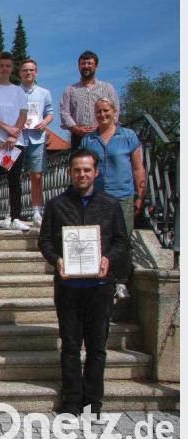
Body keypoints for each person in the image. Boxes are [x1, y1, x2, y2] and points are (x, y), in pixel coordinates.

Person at [37, 149, 129, 417]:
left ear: (95, 172)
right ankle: (72, 401)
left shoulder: (110, 205)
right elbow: (44, 242)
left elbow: (122, 242)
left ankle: (92, 402)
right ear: (70, 172)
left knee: (97, 348)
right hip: (68, 287)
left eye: (87, 170)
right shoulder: (57, 204)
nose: (82, 174)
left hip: (100, 286)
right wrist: (56, 260)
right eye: (77, 169)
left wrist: (108, 259)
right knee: (70, 346)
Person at [79, 97, 146, 298]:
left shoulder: (128, 136)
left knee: (122, 239)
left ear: (114, 111)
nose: (103, 115)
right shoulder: (89, 140)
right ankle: (98, 277)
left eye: (106, 110)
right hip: (96, 196)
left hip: (122, 194)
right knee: (97, 238)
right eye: (99, 111)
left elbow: (137, 167)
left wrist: (140, 194)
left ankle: (120, 281)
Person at [0, 52, 30, 232]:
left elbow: (23, 114)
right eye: (1, 65)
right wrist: (5, 129)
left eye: (8, 66)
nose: (5, 69)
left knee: (15, 181)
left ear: (12, 68)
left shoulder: (18, 91)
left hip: (15, 142)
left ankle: (16, 216)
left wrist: (13, 133)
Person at [60, 50, 120, 151]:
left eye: (89, 63)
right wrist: (75, 128)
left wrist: (104, 127)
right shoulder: (70, 90)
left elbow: (116, 110)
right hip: (78, 137)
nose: (86, 66)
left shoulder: (108, 88)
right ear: (79, 66)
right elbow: (64, 112)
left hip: (103, 135)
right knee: (79, 165)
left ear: (96, 66)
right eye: (83, 63)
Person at [19, 59, 55, 227]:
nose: (28, 73)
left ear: (36, 72)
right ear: (20, 73)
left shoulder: (44, 93)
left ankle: (36, 211)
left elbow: (50, 113)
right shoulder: (14, 91)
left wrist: (44, 123)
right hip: (18, 137)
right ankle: (15, 211)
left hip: (36, 137)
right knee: (14, 176)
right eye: (25, 70)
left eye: (32, 70)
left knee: (37, 175)